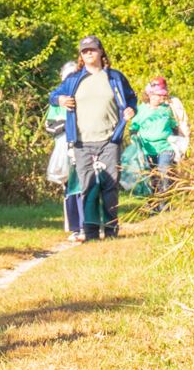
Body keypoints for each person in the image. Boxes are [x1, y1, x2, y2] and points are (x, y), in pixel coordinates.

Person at [48, 35, 137, 241]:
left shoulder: (114, 77)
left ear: (101, 52)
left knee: (110, 186)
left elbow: (131, 98)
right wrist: (61, 99)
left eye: (92, 50)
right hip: (81, 141)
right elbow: (53, 96)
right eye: (84, 51)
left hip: (109, 139)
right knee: (87, 186)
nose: (89, 53)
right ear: (81, 56)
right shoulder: (74, 79)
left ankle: (111, 229)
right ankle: (90, 232)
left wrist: (131, 109)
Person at [46, 61, 85, 241]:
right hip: (64, 148)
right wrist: (66, 126)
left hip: (84, 145)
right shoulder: (58, 99)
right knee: (70, 187)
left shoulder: (84, 95)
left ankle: (88, 224)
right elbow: (50, 125)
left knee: (86, 184)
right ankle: (75, 226)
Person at [129, 77, 179, 212]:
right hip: (147, 150)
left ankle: (165, 205)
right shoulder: (141, 110)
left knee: (164, 173)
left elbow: (175, 128)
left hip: (165, 148)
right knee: (152, 177)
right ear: (150, 95)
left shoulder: (167, 110)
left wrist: (178, 143)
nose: (161, 98)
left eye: (163, 95)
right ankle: (154, 205)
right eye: (158, 95)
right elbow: (133, 129)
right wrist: (134, 139)